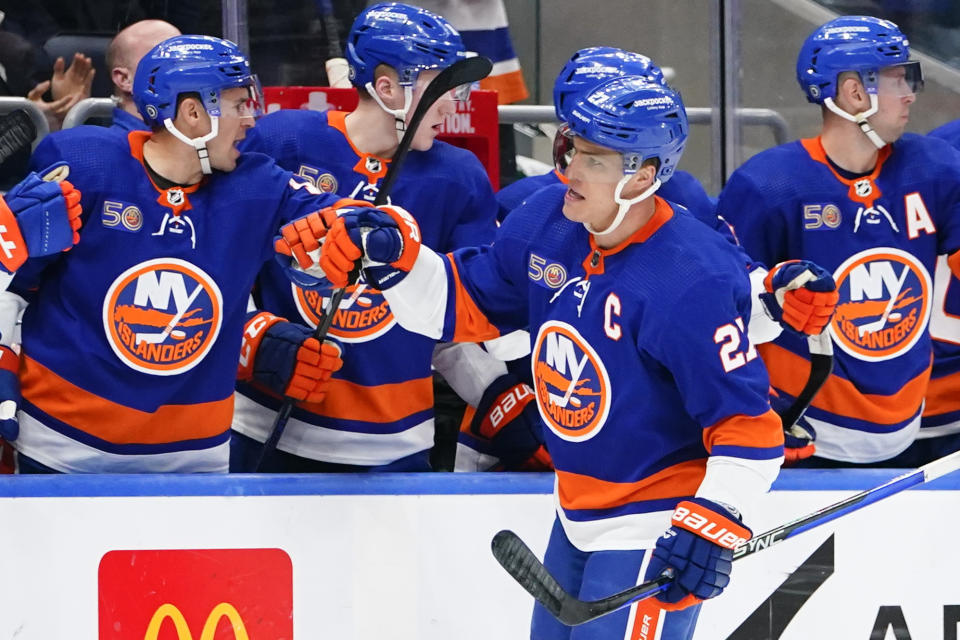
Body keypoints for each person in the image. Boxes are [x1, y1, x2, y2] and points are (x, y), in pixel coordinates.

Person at [294, 76, 785, 639]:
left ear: (644, 176)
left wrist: (715, 519)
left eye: (594, 160)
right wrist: (398, 258)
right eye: (572, 148)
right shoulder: (550, 220)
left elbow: (748, 428)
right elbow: (462, 302)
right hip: (574, 506)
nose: (570, 169)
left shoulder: (690, 277)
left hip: (653, 519)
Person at [1, 34, 345, 474]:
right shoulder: (85, 164)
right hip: (63, 447)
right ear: (193, 113)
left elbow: (343, 220)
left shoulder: (257, 184)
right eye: (239, 104)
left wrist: (366, 228)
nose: (251, 120)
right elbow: (13, 277)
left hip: (195, 459)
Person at [231, 2, 518, 473]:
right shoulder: (284, 142)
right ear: (386, 87)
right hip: (265, 427)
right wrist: (255, 339)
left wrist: (501, 396)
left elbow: (459, 316)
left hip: (396, 444)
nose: (454, 101)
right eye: (441, 86)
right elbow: (219, 260)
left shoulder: (458, 178)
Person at [717, 15, 960, 467]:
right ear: (853, 92)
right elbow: (723, 318)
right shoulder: (769, 186)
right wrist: (753, 410)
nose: (910, 92)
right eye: (897, 79)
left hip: (908, 430)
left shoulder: (933, 170)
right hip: (803, 432)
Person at [105, 19, 182, 133]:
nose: (182, 69)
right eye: (165, 58)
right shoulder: (105, 146)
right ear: (124, 79)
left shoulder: (206, 137)